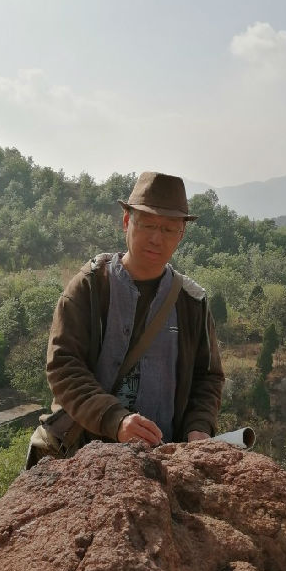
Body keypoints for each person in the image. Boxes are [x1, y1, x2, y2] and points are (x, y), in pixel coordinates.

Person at [44, 171, 224, 449]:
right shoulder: (91, 288)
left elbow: (207, 377)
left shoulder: (191, 302)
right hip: (87, 451)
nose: (156, 238)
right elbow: (64, 367)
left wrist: (199, 427)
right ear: (127, 221)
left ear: (182, 234)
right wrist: (115, 420)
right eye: (147, 225)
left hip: (164, 457)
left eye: (168, 229)